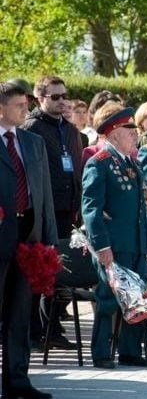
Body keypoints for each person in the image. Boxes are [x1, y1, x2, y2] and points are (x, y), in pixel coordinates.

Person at [81, 103, 147, 369]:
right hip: (113, 245)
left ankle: (130, 351)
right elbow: (91, 209)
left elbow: (143, 208)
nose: (135, 134)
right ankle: (101, 352)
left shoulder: (132, 164)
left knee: (135, 298)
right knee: (108, 299)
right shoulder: (99, 163)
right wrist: (101, 247)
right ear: (114, 134)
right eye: (130, 130)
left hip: (135, 243)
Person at [0, 82, 56, 399]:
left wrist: (48, 240)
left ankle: (17, 381)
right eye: (20, 104)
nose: (26, 109)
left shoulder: (32, 143)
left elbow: (43, 192)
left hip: (28, 239)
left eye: (26, 103)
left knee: (20, 315)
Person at [21, 76, 81, 350]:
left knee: (61, 270)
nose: (62, 101)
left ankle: (52, 326)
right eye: (55, 97)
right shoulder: (32, 128)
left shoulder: (69, 129)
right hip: (44, 211)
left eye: (64, 96)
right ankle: (34, 328)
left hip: (68, 209)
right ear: (40, 98)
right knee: (39, 269)